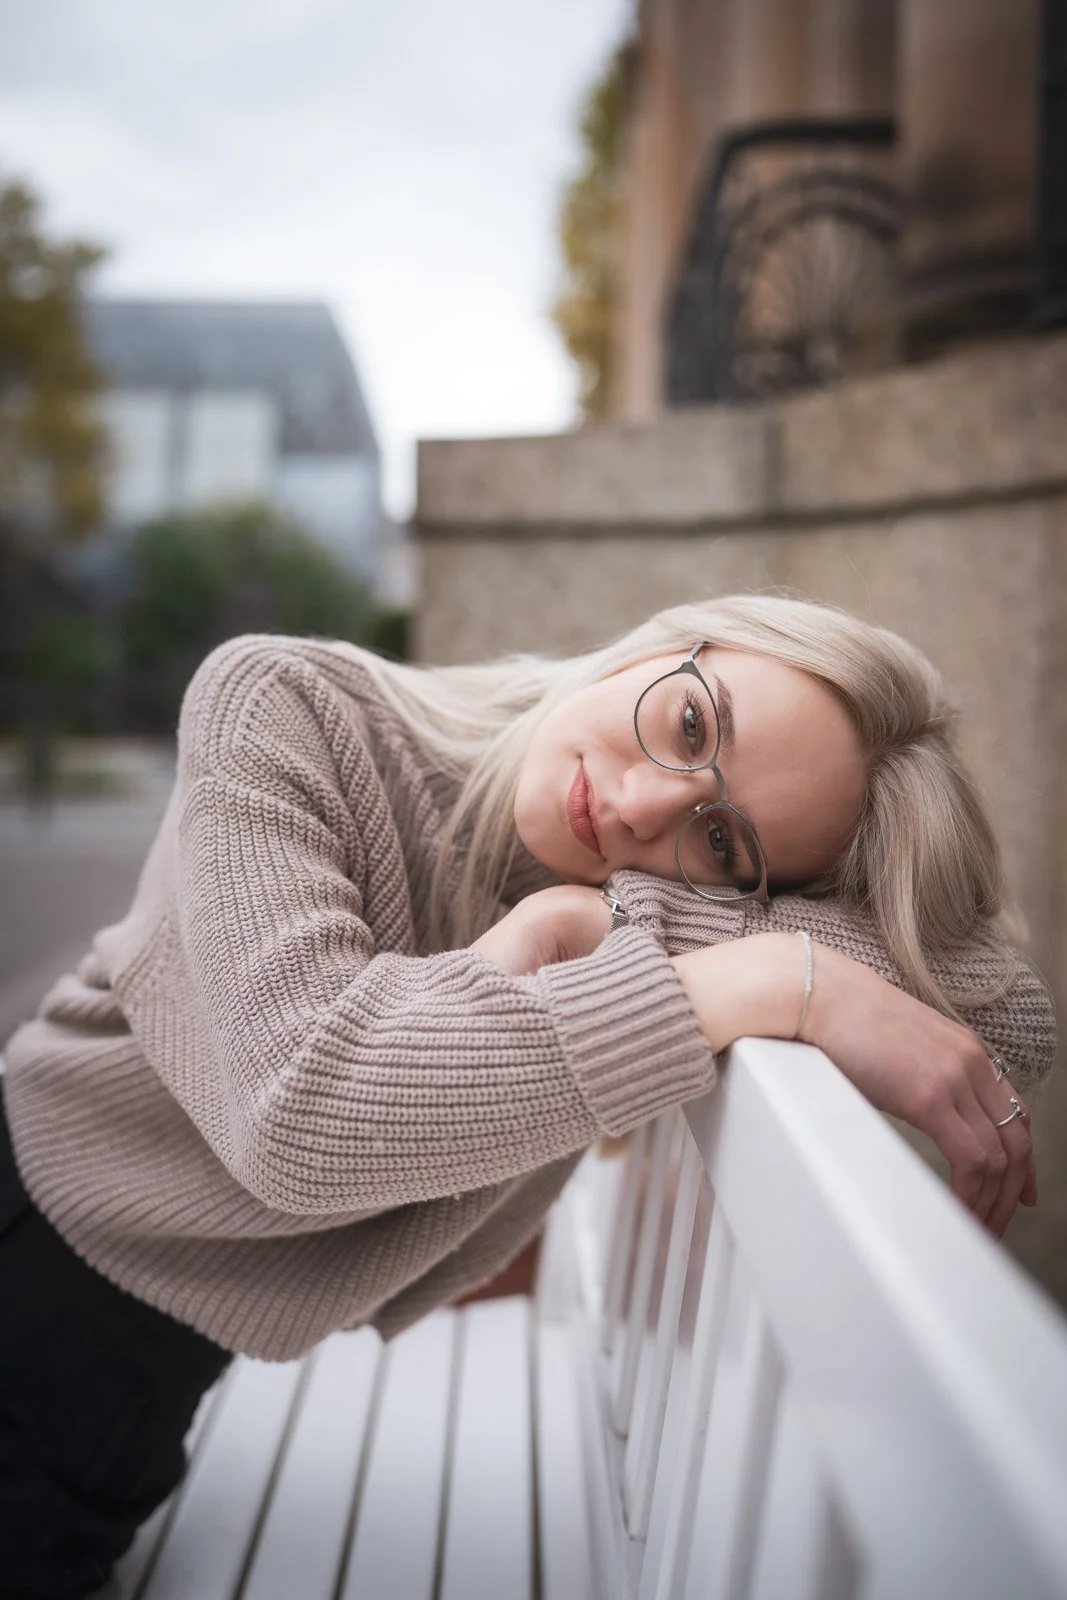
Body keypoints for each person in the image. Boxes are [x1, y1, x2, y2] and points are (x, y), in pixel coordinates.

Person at [0, 593, 1054, 1597]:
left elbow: (1009, 1021)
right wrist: (766, 977)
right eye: (688, 722)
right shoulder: (281, 704)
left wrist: (609, 922)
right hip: (37, 1252)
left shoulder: (630, 901)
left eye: (722, 839)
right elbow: (301, 1110)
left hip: (133, 1379)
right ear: (664, 641)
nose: (639, 804)